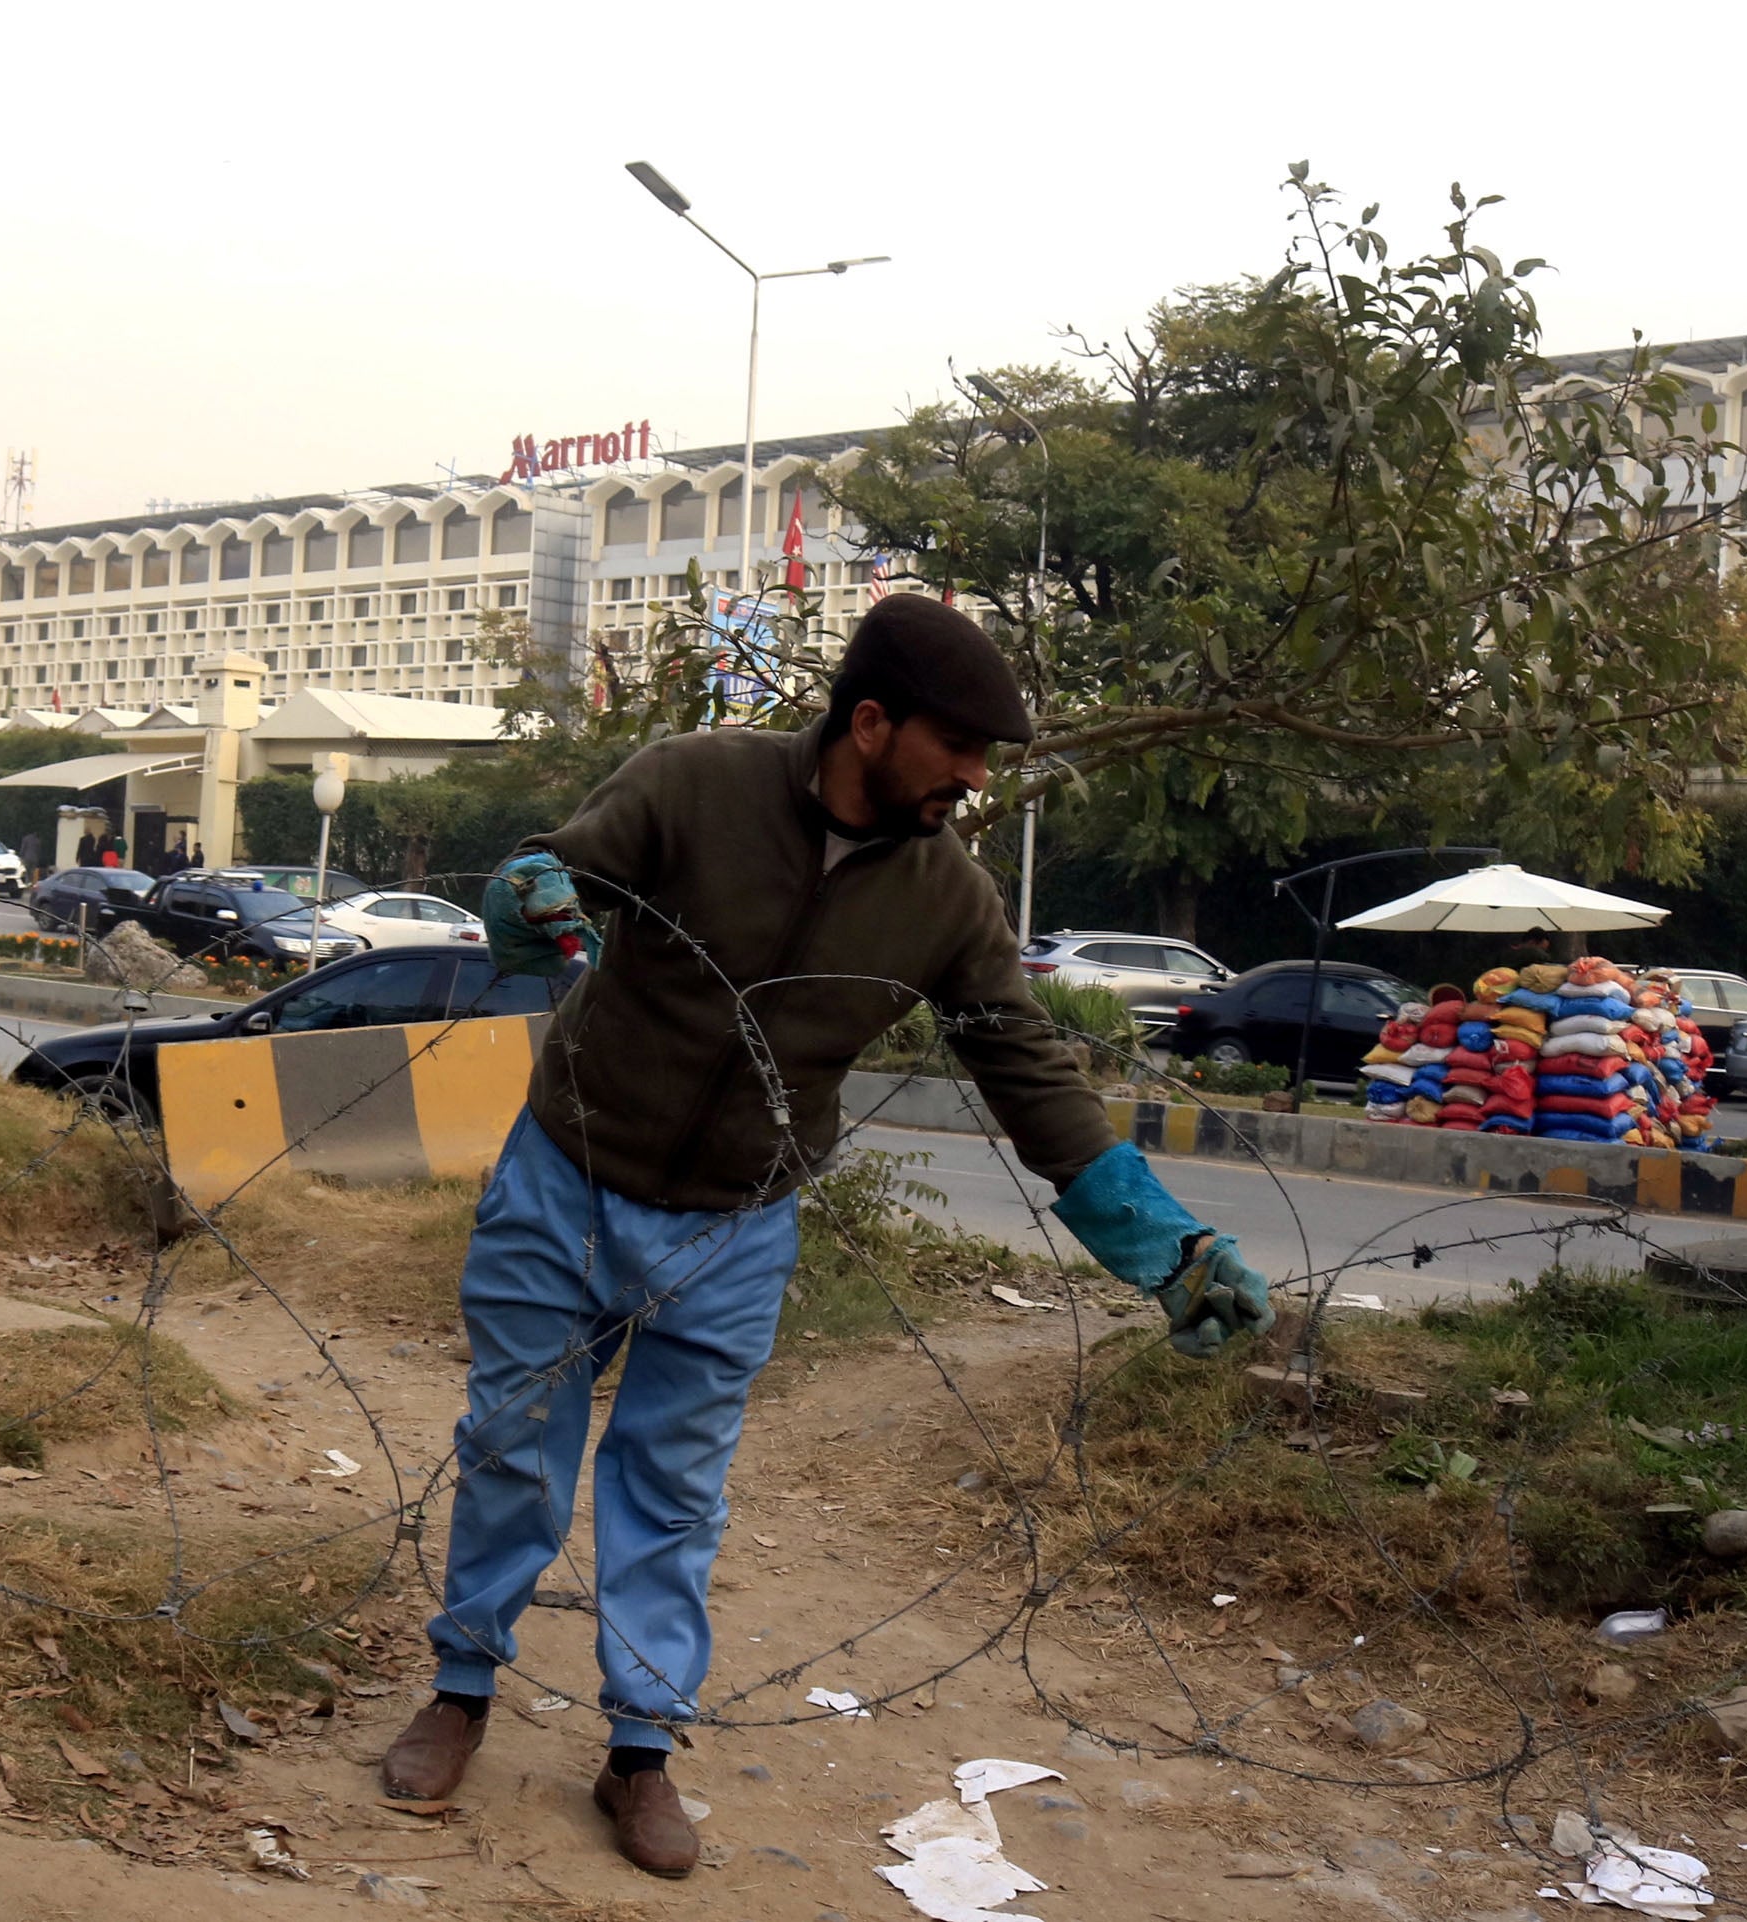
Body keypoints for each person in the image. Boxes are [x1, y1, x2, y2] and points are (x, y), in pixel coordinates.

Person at [376, 596, 1274, 1877]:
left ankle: (641, 1752)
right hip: (568, 1169)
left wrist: (1163, 1245)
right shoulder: (695, 782)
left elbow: (1027, 1071)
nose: (972, 780)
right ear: (871, 722)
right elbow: (563, 863)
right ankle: (460, 1690)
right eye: (957, 748)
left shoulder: (947, 901)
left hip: (739, 1222)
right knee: (514, 1445)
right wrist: (530, 892)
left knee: (673, 1489)